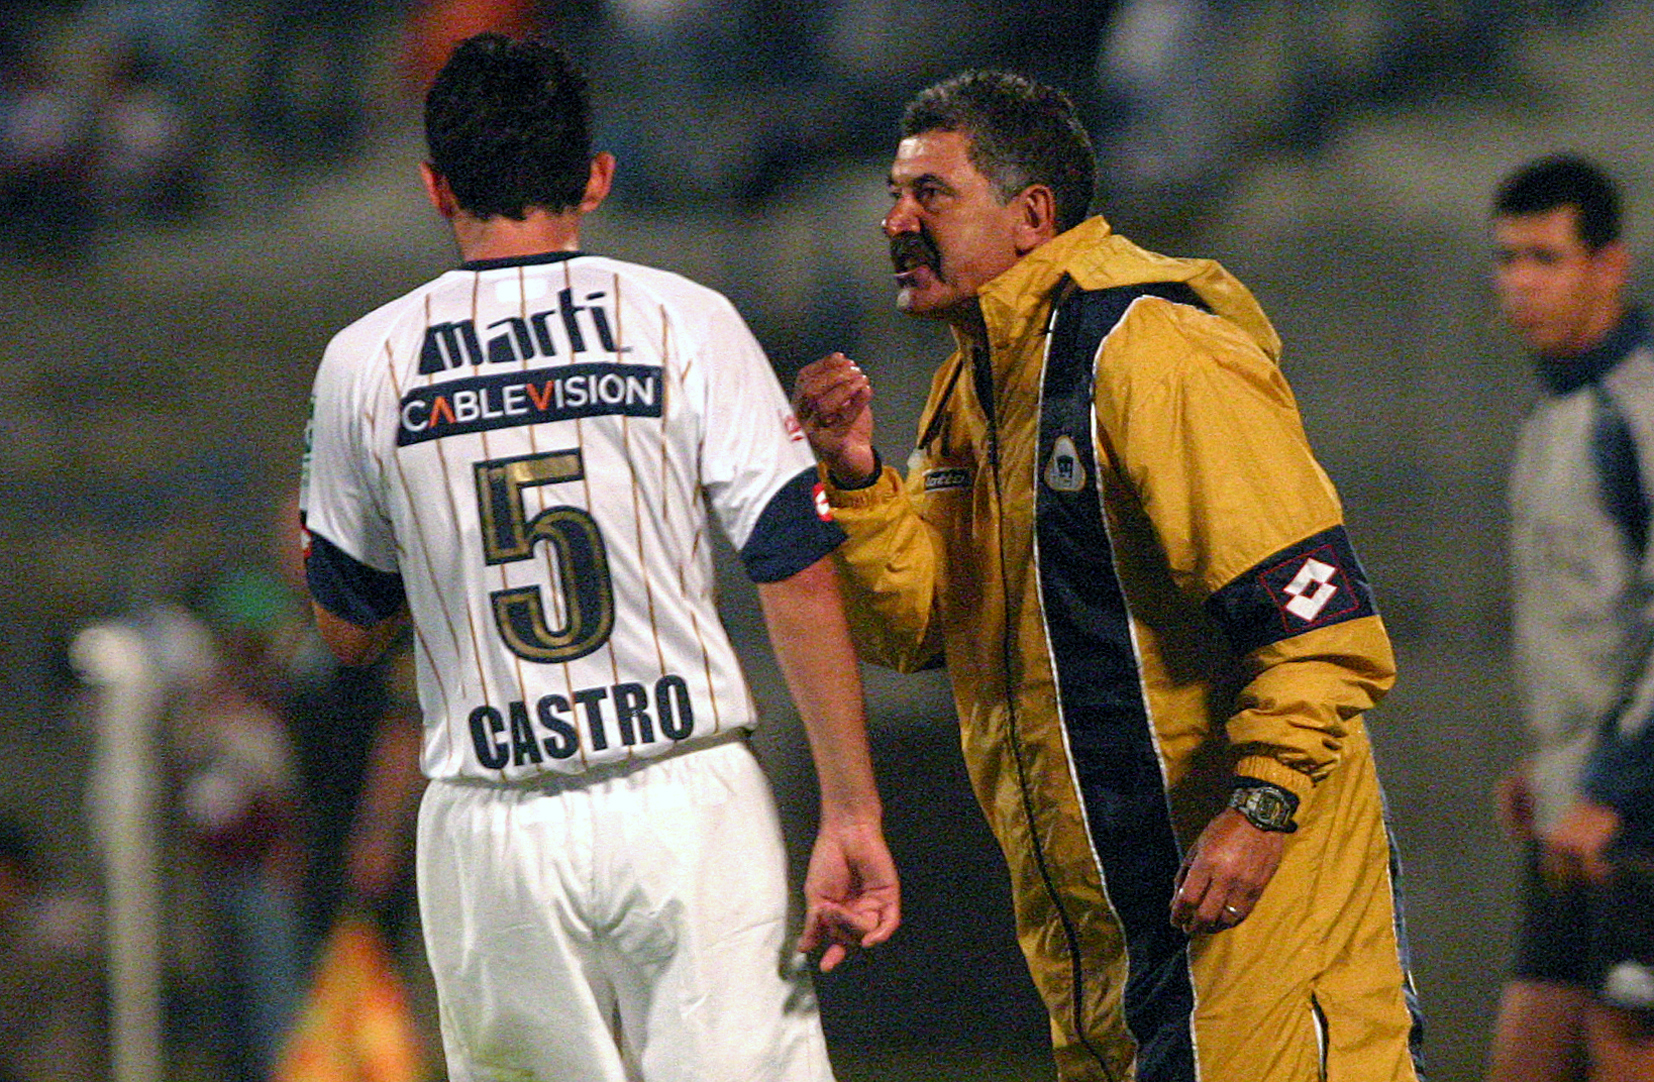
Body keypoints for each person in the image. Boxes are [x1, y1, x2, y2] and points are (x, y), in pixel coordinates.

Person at [793, 69, 1422, 1082]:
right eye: (893, 194)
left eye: (929, 194)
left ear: (1031, 214)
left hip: (1243, 910)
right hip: (1105, 933)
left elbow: (1316, 613)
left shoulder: (1153, 353)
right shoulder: (976, 382)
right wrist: (859, 480)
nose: (893, 221)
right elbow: (917, 625)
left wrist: (1262, 805)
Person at [298, 32, 898, 1082]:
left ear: (436, 188)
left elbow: (348, 628)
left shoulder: (366, 360)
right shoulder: (685, 319)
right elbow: (795, 566)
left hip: (490, 814)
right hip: (684, 788)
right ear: (596, 175)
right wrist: (850, 806)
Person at [1486, 154, 1654, 1082]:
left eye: (1545, 258)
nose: (1519, 282)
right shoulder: (1556, 408)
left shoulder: (1640, 409)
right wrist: (1548, 763)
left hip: (1630, 815)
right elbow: (1596, 621)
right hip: (1576, 802)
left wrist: (1615, 787)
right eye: (1507, 258)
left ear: (1611, 265)